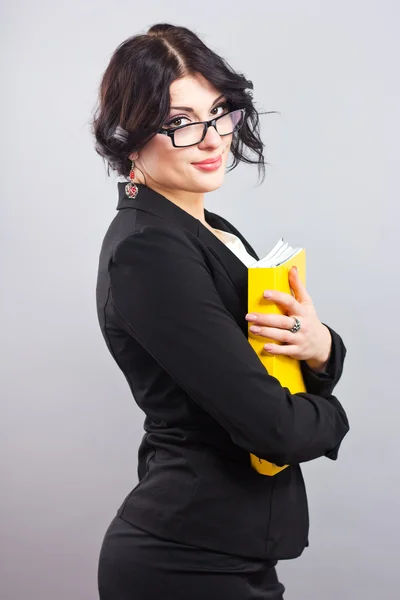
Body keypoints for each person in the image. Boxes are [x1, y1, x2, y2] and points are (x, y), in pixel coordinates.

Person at [92, 23, 350, 600]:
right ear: (128, 135)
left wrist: (323, 347)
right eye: (178, 122)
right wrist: (334, 415)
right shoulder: (147, 249)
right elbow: (273, 428)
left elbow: (273, 362)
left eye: (218, 112)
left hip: (225, 551)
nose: (211, 139)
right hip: (184, 563)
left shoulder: (207, 229)